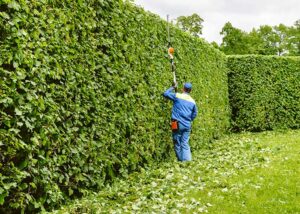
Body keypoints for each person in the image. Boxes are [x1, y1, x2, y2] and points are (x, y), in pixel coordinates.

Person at [163, 82, 198, 161]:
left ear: (183, 89)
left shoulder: (177, 96)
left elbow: (165, 93)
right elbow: (195, 113)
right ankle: (187, 162)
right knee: (185, 143)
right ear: (190, 90)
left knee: (177, 142)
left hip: (176, 123)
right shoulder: (193, 101)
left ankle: (181, 161)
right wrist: (189, 119)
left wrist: (173, 87)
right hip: (187, 125)